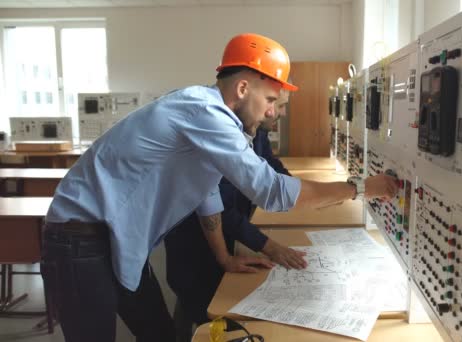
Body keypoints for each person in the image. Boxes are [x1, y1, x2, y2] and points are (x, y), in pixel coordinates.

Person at [40, 33, 398, 342]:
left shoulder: (208, 115)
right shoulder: (207, 114)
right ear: (243, 88)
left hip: (117, 239)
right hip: (79, 238)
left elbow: (206, 194)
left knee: (159, 334)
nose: (273, 112)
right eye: (271, 100)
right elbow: (270, 191)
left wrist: (224, 257)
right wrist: (360, 188)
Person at [164, 88, 301, 341]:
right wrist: (267, 245)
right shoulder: (221, 132)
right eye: (275, 103)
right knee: (205, 313)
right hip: (194, 249)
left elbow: (269, 165)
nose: (279, 112)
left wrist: (297, 195)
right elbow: (221, 208)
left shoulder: (253, 129)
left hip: (219, 242)